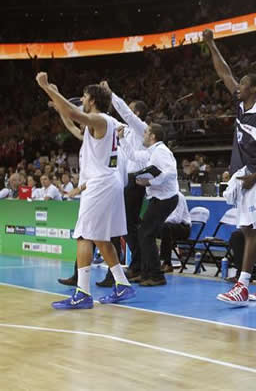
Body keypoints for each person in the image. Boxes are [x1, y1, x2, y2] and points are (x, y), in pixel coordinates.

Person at [35, 73, 135, 309]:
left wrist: (46, 87)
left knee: (83, 236)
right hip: (107, 184)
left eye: (84, 96)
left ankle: (83, 293)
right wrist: (54, 95)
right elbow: (70, 122)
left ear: (92, 101)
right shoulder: (100, 126)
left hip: (100, 185)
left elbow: (73, 113)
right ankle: (122, 284)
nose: (82, 99)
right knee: (100, 238)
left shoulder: (100, 120)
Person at [203, 28, 256, 305]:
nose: (236, 88)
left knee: (249, 231)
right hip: (246, 177)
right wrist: (212, 45)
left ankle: (242, 286)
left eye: (242, 86)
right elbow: (224, 73)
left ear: (252, 89)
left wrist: (255, 177)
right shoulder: (242, 108)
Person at [118, 123, 179, 286]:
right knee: (144, 234)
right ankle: (146, 273)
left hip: (166, 199)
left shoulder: (161, 152)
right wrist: (122, 138)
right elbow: (133, 156)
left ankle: (156, 275)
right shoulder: (151, 152)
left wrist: (150, 181)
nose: (142, 135)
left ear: (152, 136)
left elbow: (171, 172)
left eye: (145, 132)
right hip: (160, 198)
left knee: (146, 234)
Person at [100, 81, 149, 282]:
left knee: (129, 225)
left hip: (135, 181)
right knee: (125, 225)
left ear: (136, 113)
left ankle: (138, 264)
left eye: (130, 108)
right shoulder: (126, 130)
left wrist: (111, 94)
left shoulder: (141, 128)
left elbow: (125, 114)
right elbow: (107, 119)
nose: (126, 112)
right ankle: (134, 264)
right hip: (124, 181)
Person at [159, 192, 191, 273]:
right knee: (147, 229)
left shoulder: (178, 196)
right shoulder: (161, 196)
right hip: (168, 226)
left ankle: (167, 263)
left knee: (166, 228)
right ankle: (148, 262)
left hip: (183, 228)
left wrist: (159, 222)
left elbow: (176, 218)